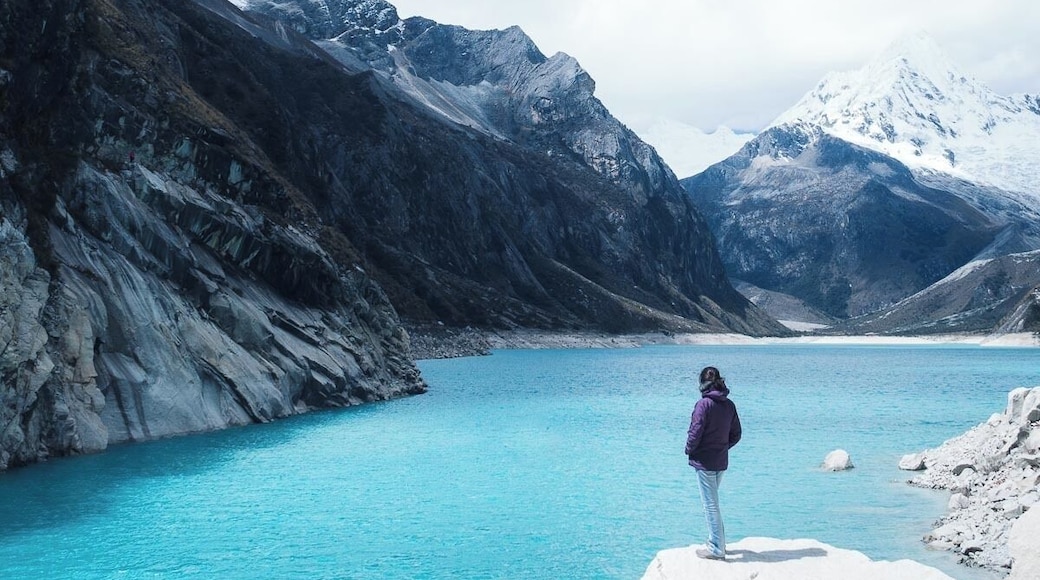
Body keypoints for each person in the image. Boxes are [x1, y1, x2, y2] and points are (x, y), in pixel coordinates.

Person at [685, 365, 742, 560]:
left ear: (703, 384)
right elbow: (736, 434)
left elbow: (695, 431)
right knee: (713, 503)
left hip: (705, 461)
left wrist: (689, 450)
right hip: (720, 461)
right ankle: (718, 542)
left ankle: (717, 548)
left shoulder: (703, 405)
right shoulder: (729, 404)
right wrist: (723, 447)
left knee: (710, 505)